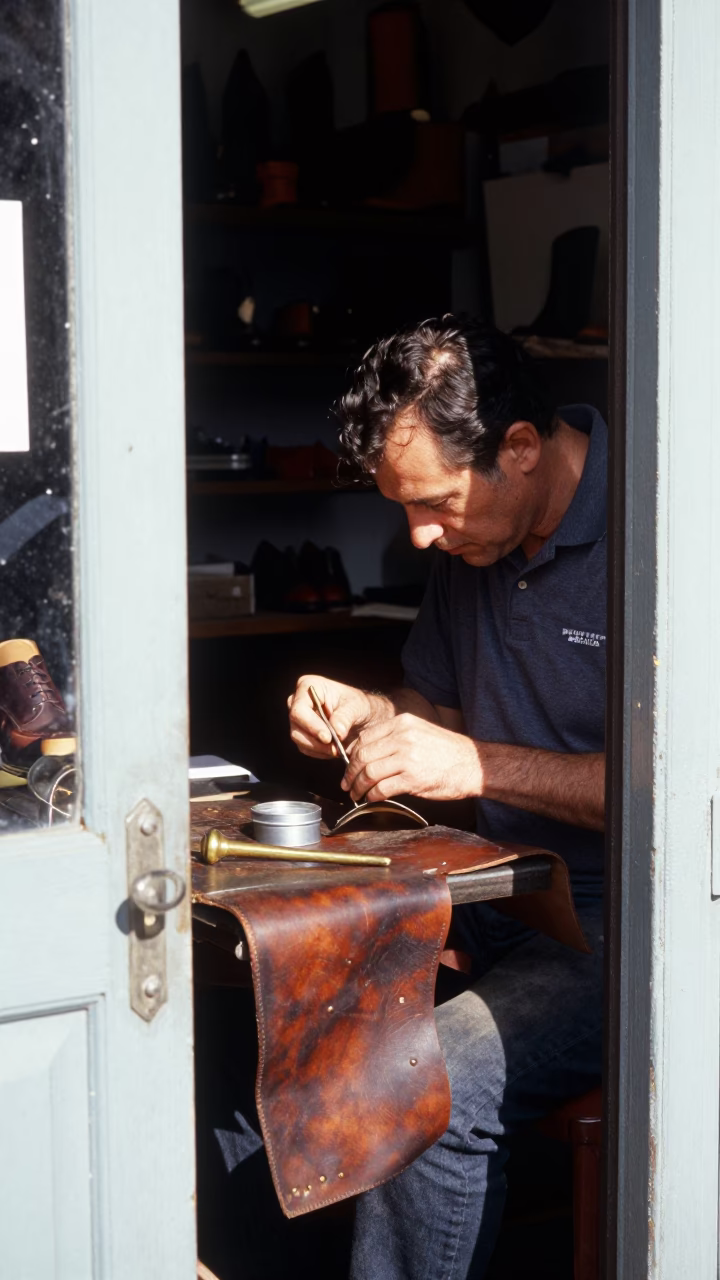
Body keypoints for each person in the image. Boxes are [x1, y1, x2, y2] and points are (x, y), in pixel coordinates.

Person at [287, 316, 606, 1279]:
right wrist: (375, 715)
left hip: (627, 927)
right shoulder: (476, 546)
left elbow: (683, 788)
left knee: (426, 1081)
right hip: (500, 893)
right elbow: (437, 709)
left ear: (521, 447)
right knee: (289, 1012)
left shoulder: (665, 526)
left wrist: (474, 766)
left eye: (434, 503)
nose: (419, 534)